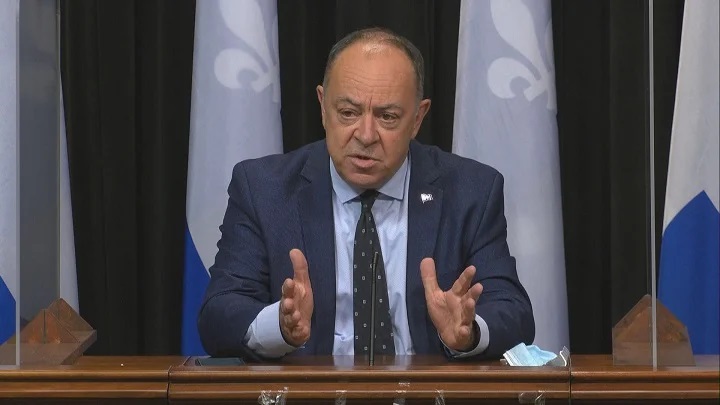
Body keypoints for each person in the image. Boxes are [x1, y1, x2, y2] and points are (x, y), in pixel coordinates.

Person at [198, 27, 534, 362]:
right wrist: (279, 326)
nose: (366, 135)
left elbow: (514, 313)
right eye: (348, 113)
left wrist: (469, 332)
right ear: (322, 106)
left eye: (387, 117)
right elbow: (219, 315)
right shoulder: (264, 189)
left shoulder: (471, 191)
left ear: (417, 118)